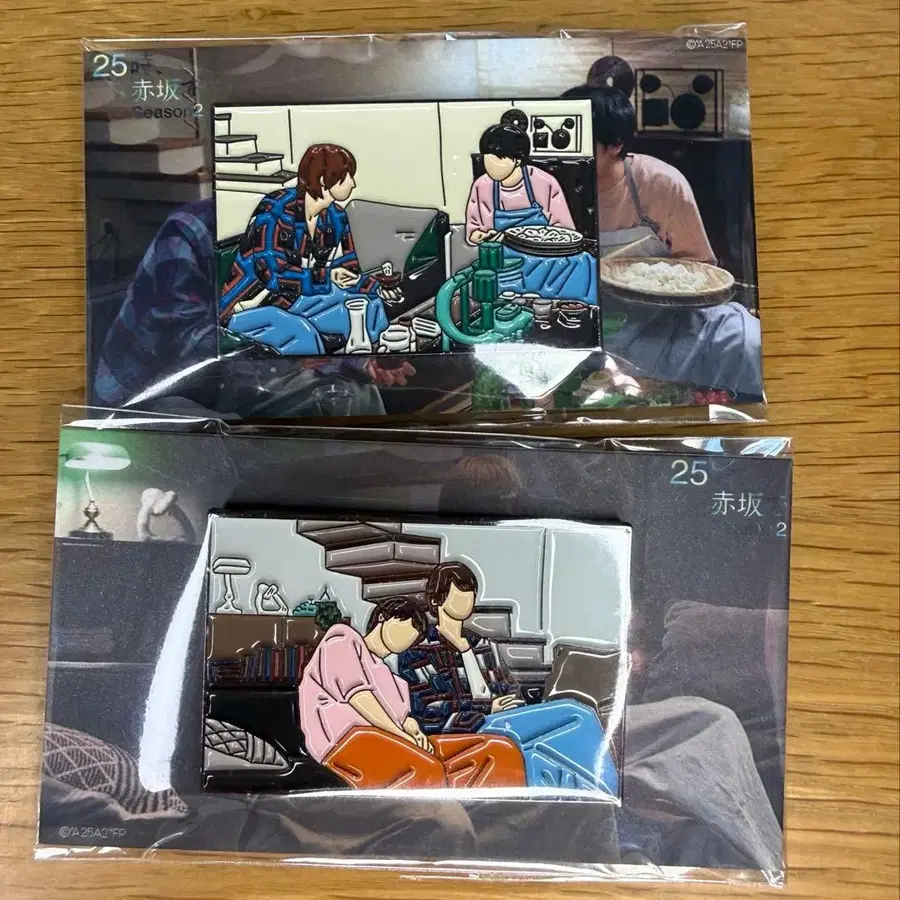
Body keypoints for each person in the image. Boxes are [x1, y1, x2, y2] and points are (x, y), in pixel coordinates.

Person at [93, 198, 414, 417]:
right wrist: (297, 352)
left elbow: (308, 308)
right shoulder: (189, 230)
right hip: (152, 392)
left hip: (243, 374)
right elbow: (187, 345)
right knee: (218, 445)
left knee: (354, 395)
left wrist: (355, 358)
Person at [561, 84, 763, 399]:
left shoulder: (661, 183)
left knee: (748, 341)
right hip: (587, 321)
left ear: (615, 145)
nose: (564, 152)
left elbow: (699, 269)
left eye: (579, 140)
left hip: (668, 320)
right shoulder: (546, 184)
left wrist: (650, 287)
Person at [397, 561, 618, 796]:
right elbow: (427, 709)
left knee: (543, 753)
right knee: (578, 714)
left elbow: (509, 688)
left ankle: (592, 796)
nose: (467, 599)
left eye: (470, 592)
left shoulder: (483, 644)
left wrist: (512, 702)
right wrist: (487, 707)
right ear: (437, 600)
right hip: (469, 724)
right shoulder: (419, 650)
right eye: (459, 592)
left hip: (504, 717)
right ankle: (609, 792)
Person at [298, 596, 526, 791]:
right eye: (407, 626)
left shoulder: (394, 679)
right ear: (383, 617)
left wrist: (414, 731)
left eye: (415, 634)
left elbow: (404, 719)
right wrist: (403, 735)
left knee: (498, 750)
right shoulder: (343, 639)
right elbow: (360, 697)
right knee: (426, 770)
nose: (409, 637)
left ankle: (494, 826)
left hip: (393, 741)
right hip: (347, 742)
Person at [220, 143, 399, 355]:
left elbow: (349, 271)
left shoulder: (336, 216)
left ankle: (377, 363)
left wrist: (377, 288)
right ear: (324, 180)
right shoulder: (275, 210)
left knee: (370, 306)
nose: (353, 183)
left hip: (294, 299)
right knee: (301, 332)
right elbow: (274, 275)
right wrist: (328, 276)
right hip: (247, 308)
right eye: (347, 177)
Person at [464, 124, 597, 305]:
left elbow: (564, 229)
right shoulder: (482, 186)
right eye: (487, 158)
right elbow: (473, 233)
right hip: (506, 257)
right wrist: (482, 236)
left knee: (584, 263)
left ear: (518, 160)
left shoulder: (544, 182)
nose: (491, 165)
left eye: (499, 159)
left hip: (547, 256)